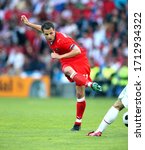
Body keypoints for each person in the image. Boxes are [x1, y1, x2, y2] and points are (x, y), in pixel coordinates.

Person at [21, 15, 102, 131]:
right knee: (67, 71)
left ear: (54, 31)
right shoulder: (47, 32)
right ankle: (90, 85)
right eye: (46, 34)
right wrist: (28, 24)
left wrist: (59, 56)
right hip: (66, 60)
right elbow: (41, 28)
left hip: (79, 59)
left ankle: (78, 122)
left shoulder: (62, 40)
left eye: (51, 33)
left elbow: (77, 51)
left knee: (80, 94)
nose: (49, 36)